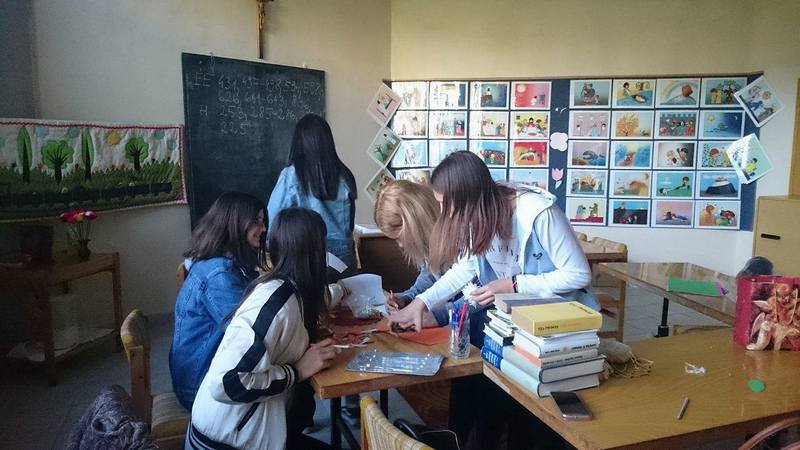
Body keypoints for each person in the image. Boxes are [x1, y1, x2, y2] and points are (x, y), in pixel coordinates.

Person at [389, 151, 596, 449]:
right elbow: (466, 268)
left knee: (538, 423)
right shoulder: (477, 213)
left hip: (555, 331)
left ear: (467, 198)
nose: (443, 212)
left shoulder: (538, 213)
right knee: (510, 408)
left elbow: (578, 275)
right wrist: (421, 303)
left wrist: (514, 284)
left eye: (445, 204)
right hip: (514, 326)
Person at [187, 208, 335, 450]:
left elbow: (322, 296)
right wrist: (297, 371)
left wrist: (346, 290)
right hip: (222, 442)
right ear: (314, 252)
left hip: (243, 434)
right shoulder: (275, 301)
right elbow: (226, 382)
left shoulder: (291, 289)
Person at [169, 192, 265, 410]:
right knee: (292, 378)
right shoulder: (219, 273)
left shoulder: (219, 262)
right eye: (257, 222)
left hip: (201, 376)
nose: (264, 228)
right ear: (235, 224)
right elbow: (247, 333)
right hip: (200, 387)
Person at [268, 113, 358, 281]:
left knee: (311, 297)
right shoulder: (344, 174)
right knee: (345, 296)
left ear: (298, 142)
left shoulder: (292, 175)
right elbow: (350, 223)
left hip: (306, 252)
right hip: (344, 253)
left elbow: (272, 220)